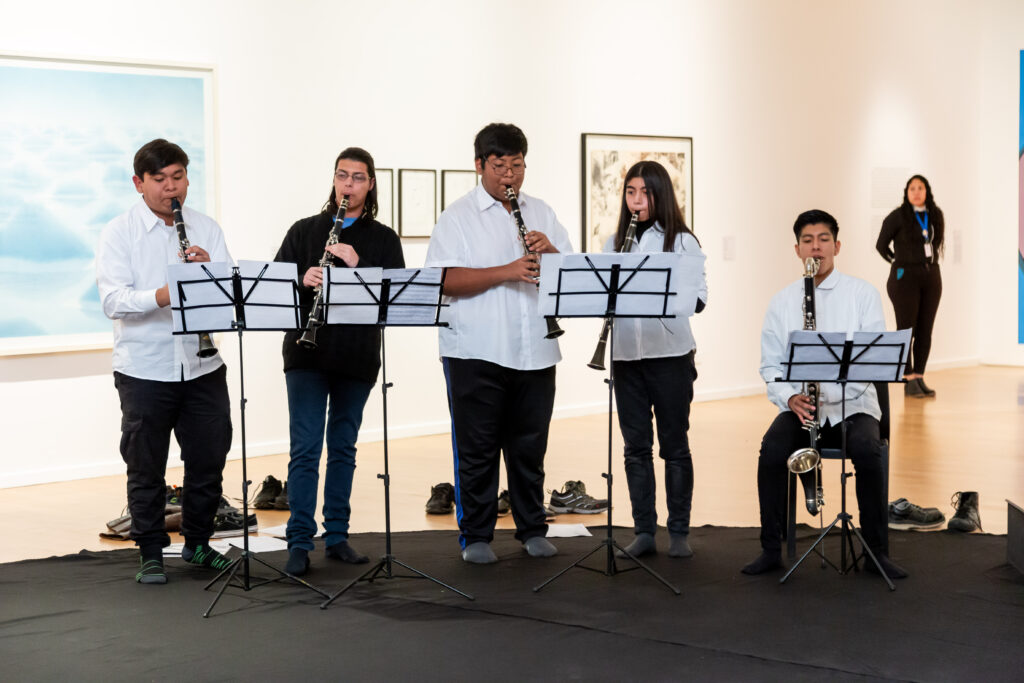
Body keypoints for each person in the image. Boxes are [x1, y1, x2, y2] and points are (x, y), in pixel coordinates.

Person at [424, 123, 573, 564]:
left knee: (530, 447)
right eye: (500, 165)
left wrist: (554, 258)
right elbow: (444, 280)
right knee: (478, 448)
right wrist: (507, 270)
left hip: (536, 350)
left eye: (517, 165)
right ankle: (477, 536)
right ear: (479, 166)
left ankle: (532, 528)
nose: (510, 174)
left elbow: (575, 278)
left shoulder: (542, 212)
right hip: (474, 351)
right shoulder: (457, 217)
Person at [96, 139, 234, 584]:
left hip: (202, 364)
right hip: (144, 368)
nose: (170, 188)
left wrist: (210, 272)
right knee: (146, 463)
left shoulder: (207, 228)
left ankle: (198, 544)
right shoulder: (119, 232)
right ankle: (151, 550)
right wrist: (164, 293)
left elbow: (231, 295)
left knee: (209, 459)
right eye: (159, 180)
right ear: (139, 183)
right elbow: (113, 300)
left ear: (188, 178)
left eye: (178, 177)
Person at [742, 209, 907, 580]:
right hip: (804, 409)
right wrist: (789, 399)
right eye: (807, 241)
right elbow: (770, 366)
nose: (816, 247)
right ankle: (771, 549)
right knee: (770, 451)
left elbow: (874, 360)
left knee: (868, 450)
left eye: (823, 240)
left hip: (854, 405)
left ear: (837, 245)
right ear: (797, 249)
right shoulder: (782, 302)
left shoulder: (862, 294)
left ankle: (876, 552)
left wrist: (841, 381)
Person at [274, 147, 405, 576]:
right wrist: (300, 278)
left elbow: (393, 297)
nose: (349, 185)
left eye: (358, 178)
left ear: (371, 184)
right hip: (306, 353)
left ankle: (337, 536)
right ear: (334, 180)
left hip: (356, 356)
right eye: (342, 176)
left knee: (343, 448)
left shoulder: (383, 238)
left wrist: (358, 264)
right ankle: (298, 540)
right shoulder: (304, 230)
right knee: (306, 448)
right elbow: (275, 290)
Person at [603, 161, 707, 559]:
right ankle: (644, 530)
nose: (637, 200)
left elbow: (698, 299)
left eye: (645, 192)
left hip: (670, 356)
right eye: (631, 192)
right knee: (635, 448)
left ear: (660, 195)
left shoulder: (682, 242)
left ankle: (678, 530)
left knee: (674, 446)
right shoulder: (614, 243)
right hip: (626, 356)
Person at [876, 175, 944, 397]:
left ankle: (919, 376)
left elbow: (935, 244)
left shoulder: (935, 215)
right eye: (912, 188)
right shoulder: (898, 216)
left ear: (927, 191)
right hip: (904, 278)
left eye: (920, 187)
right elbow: (881, 245)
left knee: (925, 330)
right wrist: (898, 261)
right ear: (906, 192)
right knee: (907, 330)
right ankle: (907, 376)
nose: (916, 192)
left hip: (931, 276)